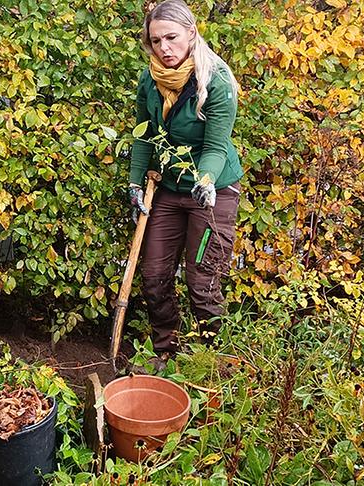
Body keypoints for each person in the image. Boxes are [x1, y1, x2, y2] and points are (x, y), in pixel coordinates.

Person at [128, 0, 243, 368]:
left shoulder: (217, 80)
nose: (164, 48)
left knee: (202, 281)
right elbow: (144, 136)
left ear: (191, 33)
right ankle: (167, 349)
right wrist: (134, 184)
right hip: (167, 189)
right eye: (156, 40)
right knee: (155, 274)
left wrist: (206, 180)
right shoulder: (151, 78)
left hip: (213, 192)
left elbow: (214, 147)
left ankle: (209, 358)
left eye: (172, 38)